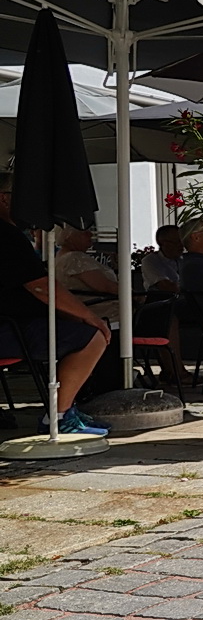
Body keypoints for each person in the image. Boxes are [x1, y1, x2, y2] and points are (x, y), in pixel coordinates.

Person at [0, 181, 111, 435]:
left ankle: (64, 409)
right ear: (5, 199)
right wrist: (90, 317)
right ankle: (59, 416)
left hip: (13, 323)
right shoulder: (7, 235)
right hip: (11, 328)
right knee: (93, 337)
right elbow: (39, 286)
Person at [54, 224, 121, 322]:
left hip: (83, 310)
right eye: (84, 232)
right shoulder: (75, 258)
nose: (90, 234)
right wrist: (135, 294)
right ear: (69, 237)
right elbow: (106, 286)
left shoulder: (59, 257)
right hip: (102, 313)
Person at [140, 223, 183, 294]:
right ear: (162, 242)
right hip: (162, 301)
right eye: (177, 242)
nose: (181, 245)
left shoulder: (184, 260)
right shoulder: (151, 261)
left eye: (182, 241)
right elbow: (166, 286)